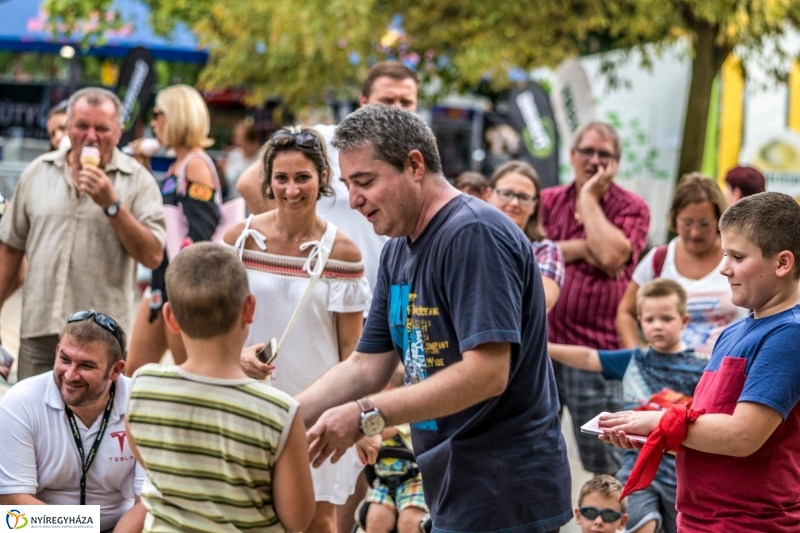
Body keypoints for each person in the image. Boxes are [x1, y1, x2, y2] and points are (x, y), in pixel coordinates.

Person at [297, 105, 573, 533]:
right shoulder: (397, 248)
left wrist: (367, 414)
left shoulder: (472, 233)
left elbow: (487, 373)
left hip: (504, 494)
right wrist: (284, 416)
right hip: (453, 488)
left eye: (366, 182)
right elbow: (366, 364)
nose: (354, 201)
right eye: (348, 186)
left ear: (414, 165)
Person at [600, 192, 800, 532]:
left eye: (737, 256)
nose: (723, 268)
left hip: (746, 523)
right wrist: (654, 435)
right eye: (725, 254)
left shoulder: (788, 335)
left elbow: (742, 436)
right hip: (701, 519)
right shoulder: (734, 330)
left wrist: (659, 423)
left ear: (782, 263)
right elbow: (712, 429)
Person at [226, 126, 371, 533]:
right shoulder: (240, 240)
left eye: (302, 177)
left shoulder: (342, 251)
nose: (292, 189)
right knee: (243, 515)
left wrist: (358, 417)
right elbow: (212, 324)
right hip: (246, 401)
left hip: (317, 408)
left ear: (323, 177)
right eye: (282, 178)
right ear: (268, 181)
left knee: (317, 520)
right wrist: (233, 357)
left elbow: (353, 351)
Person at [126, 243, 315, 532]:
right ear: (249, 308)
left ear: (170, 318)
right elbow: (298, 520)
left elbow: (149, 459)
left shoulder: (142, 386)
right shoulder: (279, 412)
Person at [0, 87, 165, 380]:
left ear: (118, 131)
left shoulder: (138, 181)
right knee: (33, 421)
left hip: (102, 340)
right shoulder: (38, 172)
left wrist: (112, 205)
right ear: (68, 126)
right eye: (81, 126)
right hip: (39, 331)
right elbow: (10, 249)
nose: (91, 136)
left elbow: (153, 255)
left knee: (93, 424)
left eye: (102, 128)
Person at [236, 61, 419, 301]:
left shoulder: (415, 159)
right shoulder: (325, 141)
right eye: (387, 100)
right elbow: (250, 184)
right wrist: (295, 243)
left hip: (388, 300)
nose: (397, 109)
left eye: (405, 102)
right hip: (326, 294)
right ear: (363, 102)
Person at [551, 279, 707, 533]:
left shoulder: (703, 367)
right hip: (635, 466)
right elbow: (588, 357)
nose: (657, 326)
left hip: (682, 472)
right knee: (643, 524)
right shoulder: (633, 360)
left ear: (684, 320)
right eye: (649, 319)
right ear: (639, 322)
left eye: (666, 318)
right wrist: (543, 346)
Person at [540, 120, 650, 475]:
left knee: (606, 463)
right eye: (587, 151)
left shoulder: (631, 207)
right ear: (571, 155)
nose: (594, 160)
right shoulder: (546, 201)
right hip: (542, 348)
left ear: (616, 163)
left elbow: (613, 256)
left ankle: (607, 525)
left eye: (605, 155)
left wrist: (588, 198)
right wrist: (588, 247)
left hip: (599, 356)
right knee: (533, 453)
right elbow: (527, 252)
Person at [0, 310, 146, 533]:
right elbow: (12, 501)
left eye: (86, 366)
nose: (70, 375)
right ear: (57, 351)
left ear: (115, 370)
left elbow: (148, 501)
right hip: (39, 527)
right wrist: (84, 526)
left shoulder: (140, 403)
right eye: (65, 359)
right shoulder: (21, 400)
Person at [125, 84, 222, 376]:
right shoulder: (177, 165)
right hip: (161, 282)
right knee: (133, 372)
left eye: (158, 114)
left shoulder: (195, 164)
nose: (153, 122)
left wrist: (180, 284)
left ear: (177, 116)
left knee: (189, 374)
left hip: (181, 285)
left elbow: (202, 229)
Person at [616, 174, 744, 357]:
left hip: (726, 372)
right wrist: (636, 358)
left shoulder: (737, 257)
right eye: (687, 223)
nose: (695, 232)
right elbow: (626, 312)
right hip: (667, 375)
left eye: (704, 224)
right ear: (674, 218)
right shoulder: (659, 260)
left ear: (719, 220)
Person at [486, 161, 564, 311]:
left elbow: (542, 302)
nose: (514, 203)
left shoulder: (546, 251)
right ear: (489, 194)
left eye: (524, 197)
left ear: (534, 205)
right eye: (506, 194)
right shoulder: (469, 240)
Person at [219, 119, 261, 199]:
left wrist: (227, 169)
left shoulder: (261, 159)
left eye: (239, 137)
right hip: (234, 203)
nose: (235, 140)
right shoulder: (234, 155)